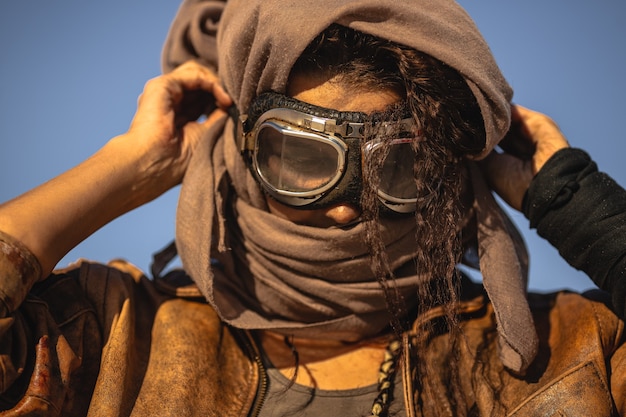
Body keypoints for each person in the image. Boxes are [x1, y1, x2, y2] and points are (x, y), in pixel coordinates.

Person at [0, 0, 624, 416]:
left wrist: (576, 204)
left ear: (451, 170)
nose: (346, 211)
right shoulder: (111, 338)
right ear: (241, 149)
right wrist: (130, 166)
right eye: (302, 160)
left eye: (402, 168)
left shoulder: (572, 353)